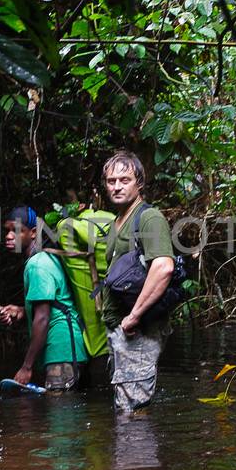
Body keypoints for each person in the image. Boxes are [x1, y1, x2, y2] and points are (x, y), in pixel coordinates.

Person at [99, 151, 174, 412]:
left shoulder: (149, 218)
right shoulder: (117, 222)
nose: (117, 186)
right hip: (121, 326)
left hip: (137, 328)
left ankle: (136, 454)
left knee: (132, 409)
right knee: (126, 404)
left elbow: (163, 267)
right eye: (111, 181)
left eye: (124, 179)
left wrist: (134, 315)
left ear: (139, 183)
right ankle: (130, 453)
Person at [0, 206, 89, 390]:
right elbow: (55, 303)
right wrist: (22, 311)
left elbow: (43, 318)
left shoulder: (38, 265)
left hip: (61, 352)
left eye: (16, 230)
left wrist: (26, 367)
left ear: (32, 233)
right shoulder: (47, 257)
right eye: (6, 230)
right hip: (71, 351)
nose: (8, 236)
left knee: (59, 415)